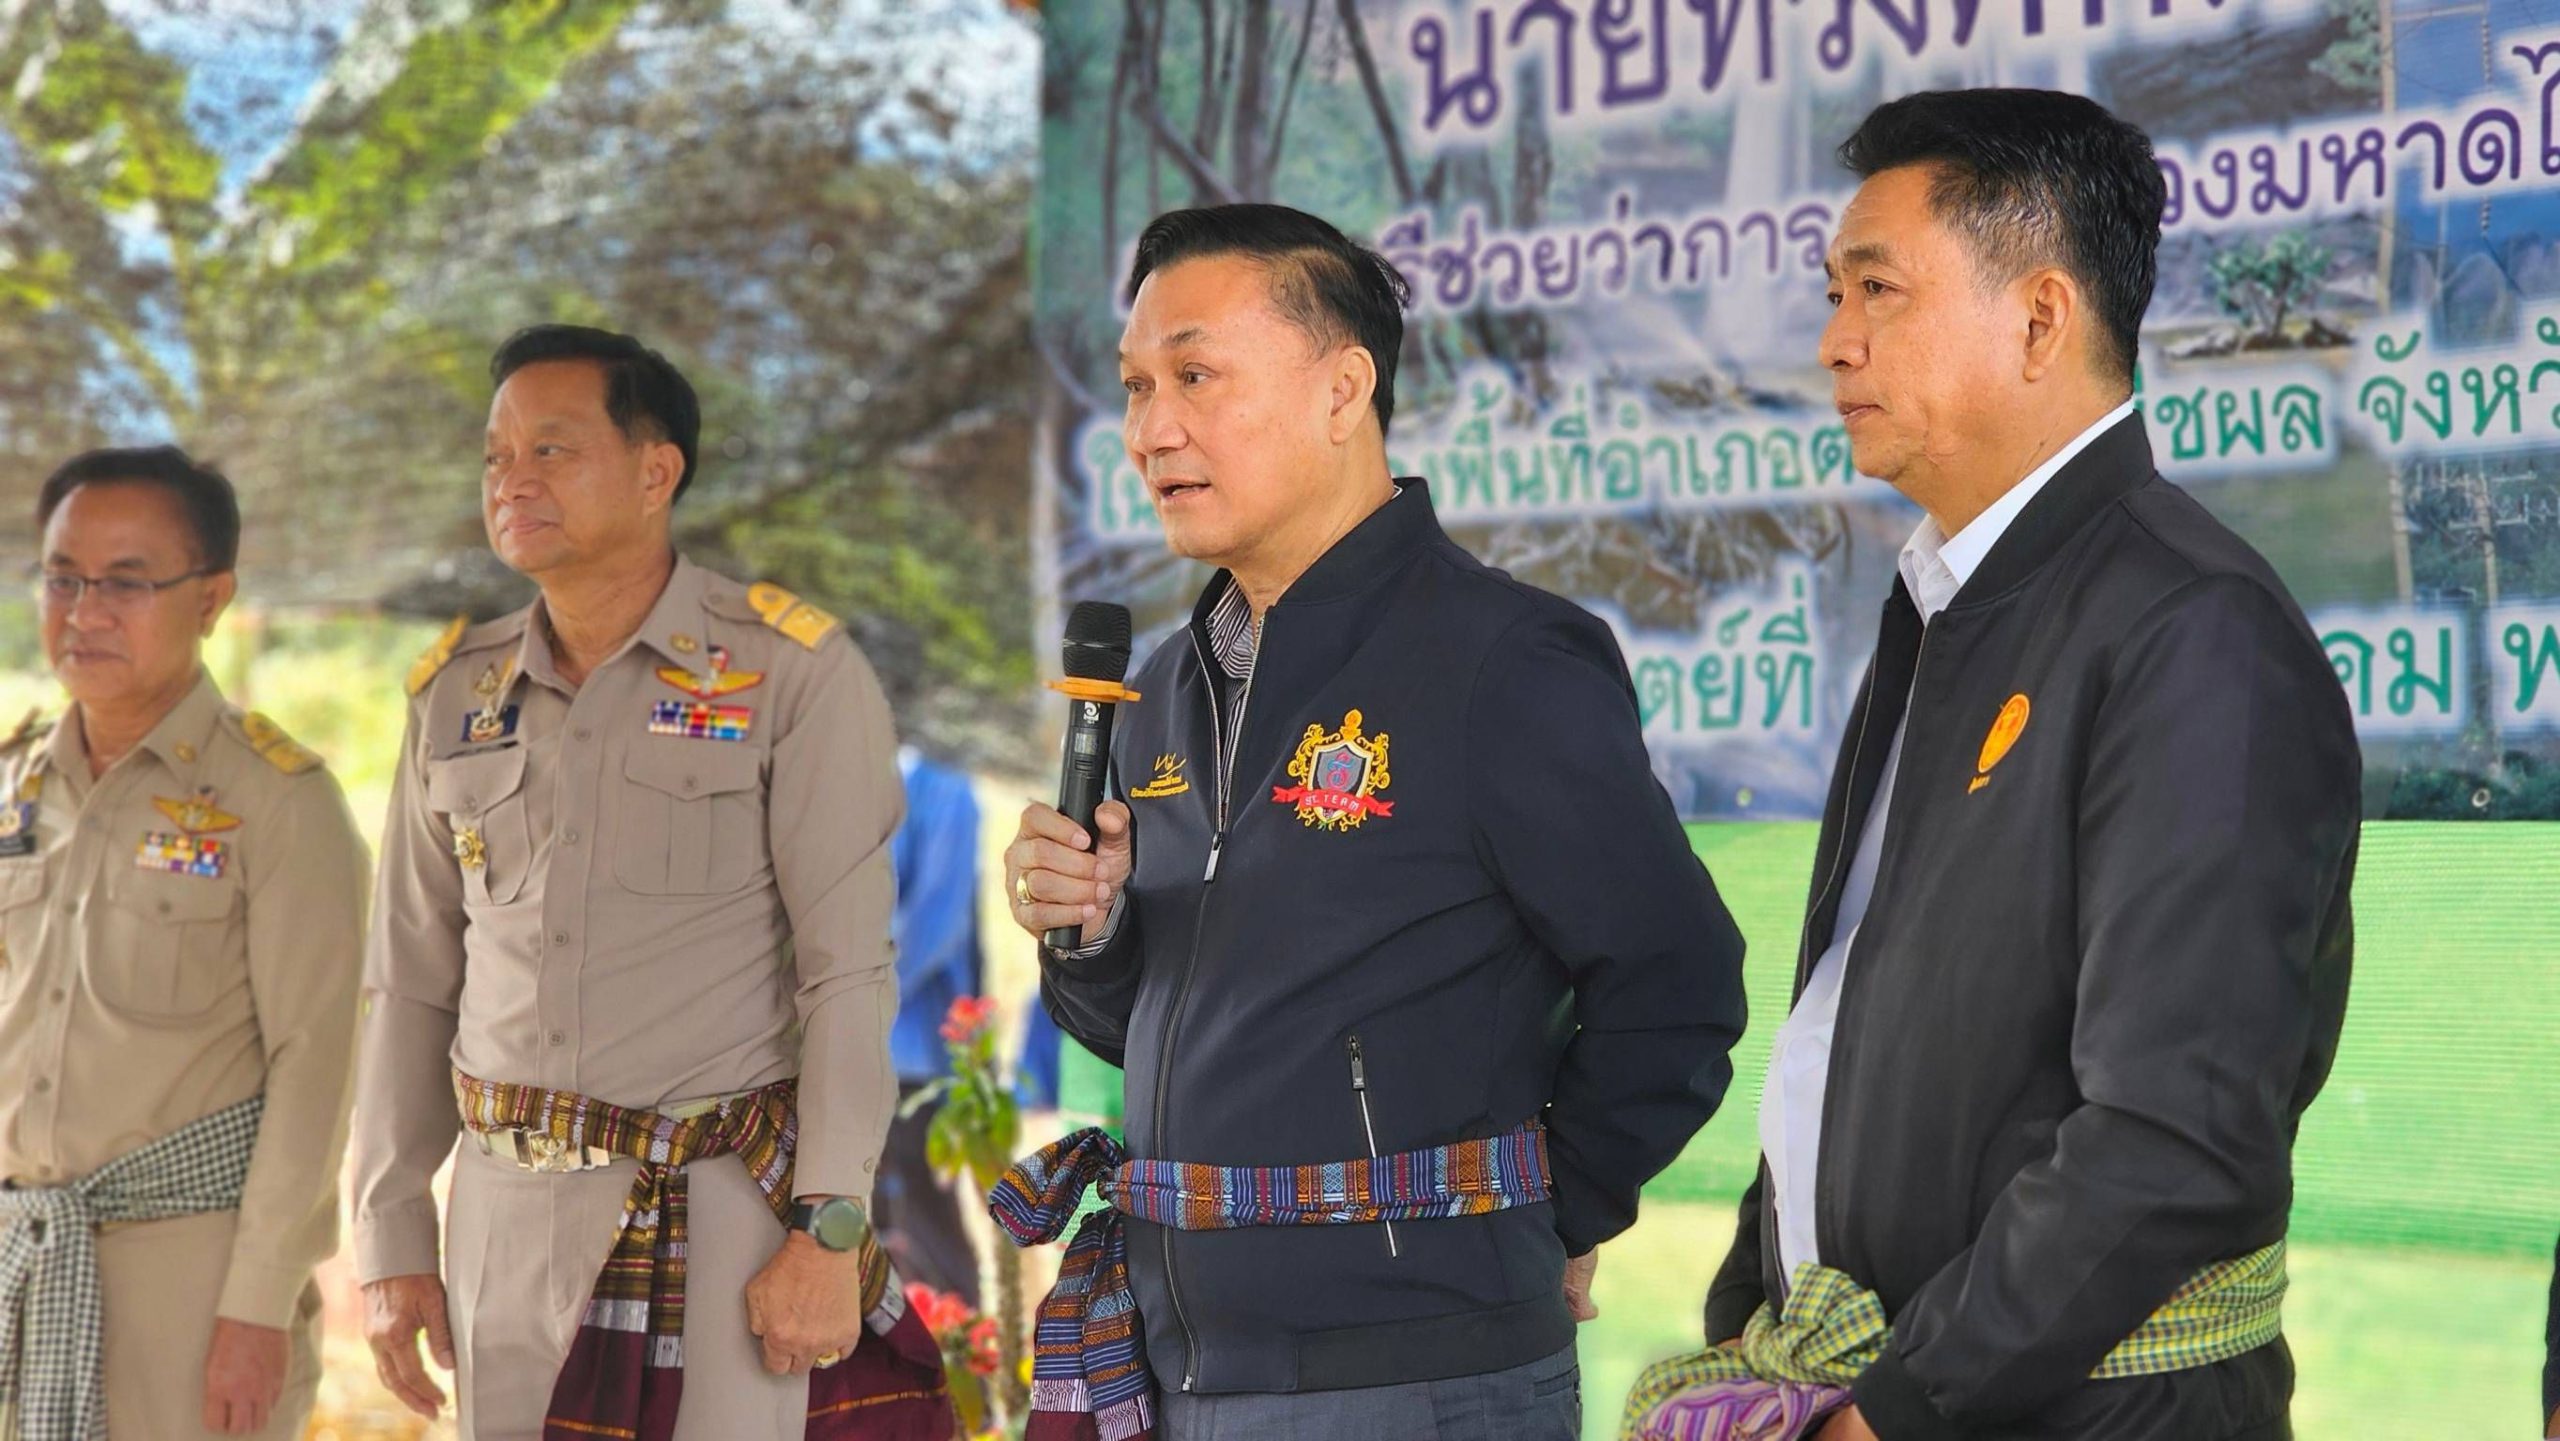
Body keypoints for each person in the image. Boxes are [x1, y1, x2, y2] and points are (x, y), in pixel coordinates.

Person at [1625, 90, 2361, 1441]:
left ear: (2038, 318)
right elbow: (1847, 1025)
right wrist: (1752, 1331)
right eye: (1835, 292)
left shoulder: (2194, 631)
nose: (1835, 340)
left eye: (1877, 289)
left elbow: (2172, 1138)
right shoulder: (1948, 600)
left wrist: (1894, 1410)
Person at [994, 203, 1750, 1441]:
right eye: (1134, 387)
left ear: (1343, 389)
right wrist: (1090, 929)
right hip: (1182, 1367)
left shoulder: (1502, 659)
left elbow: (1675, 985)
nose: (1149, 430)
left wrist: (1542, 1212)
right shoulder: (1161, 693)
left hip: (1416, 1381)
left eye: (1194, 375)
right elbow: (1136, 1023)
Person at [346, 324, 948, 1440]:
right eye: (495, 456)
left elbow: (847, 975)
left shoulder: (789, 673)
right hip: (500, 1213)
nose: (512, 479)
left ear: (656, 469)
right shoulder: (454, 695)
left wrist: (826, 1229)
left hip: (715, 1215)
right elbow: (408, 985)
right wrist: (388, 1238)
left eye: (553, 450)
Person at [0, 446, 366, 1440]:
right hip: (23, 1258)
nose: (84, 610)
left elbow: (317, 1065)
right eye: (63, 576)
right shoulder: (14, 788)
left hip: (191, 1285)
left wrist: (256, 1304)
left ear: (211, 599)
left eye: (127, 580)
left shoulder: (278, 801)